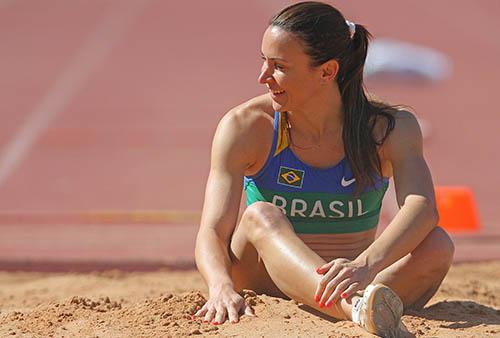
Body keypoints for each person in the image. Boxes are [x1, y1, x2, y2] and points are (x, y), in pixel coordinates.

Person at [193, 2, 455, 337]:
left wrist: (366, 265)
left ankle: (359, 308)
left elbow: (422, 208)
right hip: (265, 283)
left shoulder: (389, 128)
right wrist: (219, 286)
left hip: (351, 280)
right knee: (260, 215)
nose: (262, 77)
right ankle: (357, 310)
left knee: (438, 245)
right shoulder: (245, 127)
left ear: (327, 72)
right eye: (264, 61)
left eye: (279, 66)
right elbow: (212, 231)